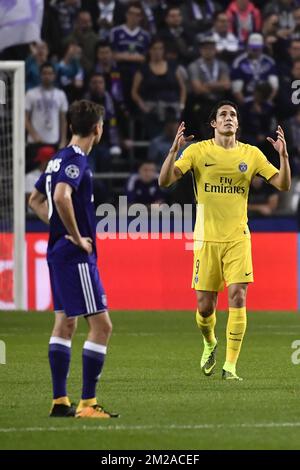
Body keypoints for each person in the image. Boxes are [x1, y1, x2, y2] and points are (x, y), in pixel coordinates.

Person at [158, 101, 291, 380]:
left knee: (238, 296)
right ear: (214, 124)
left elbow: (282, 184)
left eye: (233, 115)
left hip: (238, 238)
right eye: (223, 115)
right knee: (205, 306)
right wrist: (173, 151)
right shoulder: (197, 151)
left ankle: (230, 366)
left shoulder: (251, 154)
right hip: (206, 239)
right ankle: (209, 342)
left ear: (237, 124)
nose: (228, 118)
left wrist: (284, 157)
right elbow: (165, 181)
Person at [28, 100, 119, 418]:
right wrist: (78, 236)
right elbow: (61, 196)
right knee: (101, 326)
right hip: (75, 256)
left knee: (65, 323)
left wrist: (56, 226)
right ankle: (88, 403)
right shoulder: (76, 160)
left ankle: (59, 401)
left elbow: (34, 199)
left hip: (57, 253)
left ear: (69, 126)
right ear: (98, 128)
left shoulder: (55, 160)